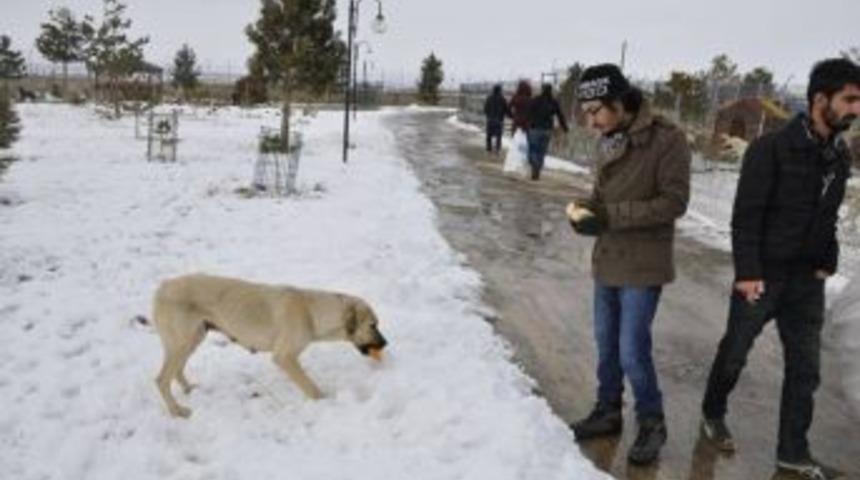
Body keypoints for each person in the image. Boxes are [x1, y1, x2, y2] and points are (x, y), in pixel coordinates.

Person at [700, 58, 860, 480]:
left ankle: (794, 452)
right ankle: (712, 412)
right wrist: (748, 272)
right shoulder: (769, 149)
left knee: (805, 371)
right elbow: (746, 216)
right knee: (735, 353)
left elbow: (827, 216)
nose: (855, 109)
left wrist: (828, 262)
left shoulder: (837, 157)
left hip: (807, 282)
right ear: (819, 99)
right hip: (763, 276)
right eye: (850, 99)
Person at [567, 64, 691, 465]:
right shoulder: (608, 136)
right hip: (608, 258)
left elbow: (674, 202)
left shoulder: (667, 140)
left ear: (619, 104)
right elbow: (605, 192)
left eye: (595, 111)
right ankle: (607, 412)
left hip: (643, 262)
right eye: (586, 112)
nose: (590, 121)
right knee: (606, 346)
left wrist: (611, 216)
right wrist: (588, 212)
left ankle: (652, 422)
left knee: (632, 350)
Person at [526, 84, 569, 180]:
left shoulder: (536, 100)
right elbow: (560, 115)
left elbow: (528, 112)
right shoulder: (553, 102)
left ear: (542, 90)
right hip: (547, 130)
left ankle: (534, 165)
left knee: (533, 149)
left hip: (535, 128)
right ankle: (537, 168)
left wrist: (527, 124)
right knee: (541, 151)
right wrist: (565, 128)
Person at [483, 84, 511, 154]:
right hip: (499, 120)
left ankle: (488, 149)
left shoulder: (489, 98)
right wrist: (511, 116)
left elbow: (486, 109)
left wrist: (488, 115)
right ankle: (497, 149)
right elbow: (506, 109)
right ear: (500, 91)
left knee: (489, 135)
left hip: (490, 119)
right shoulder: (502, 99)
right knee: (499, 135)